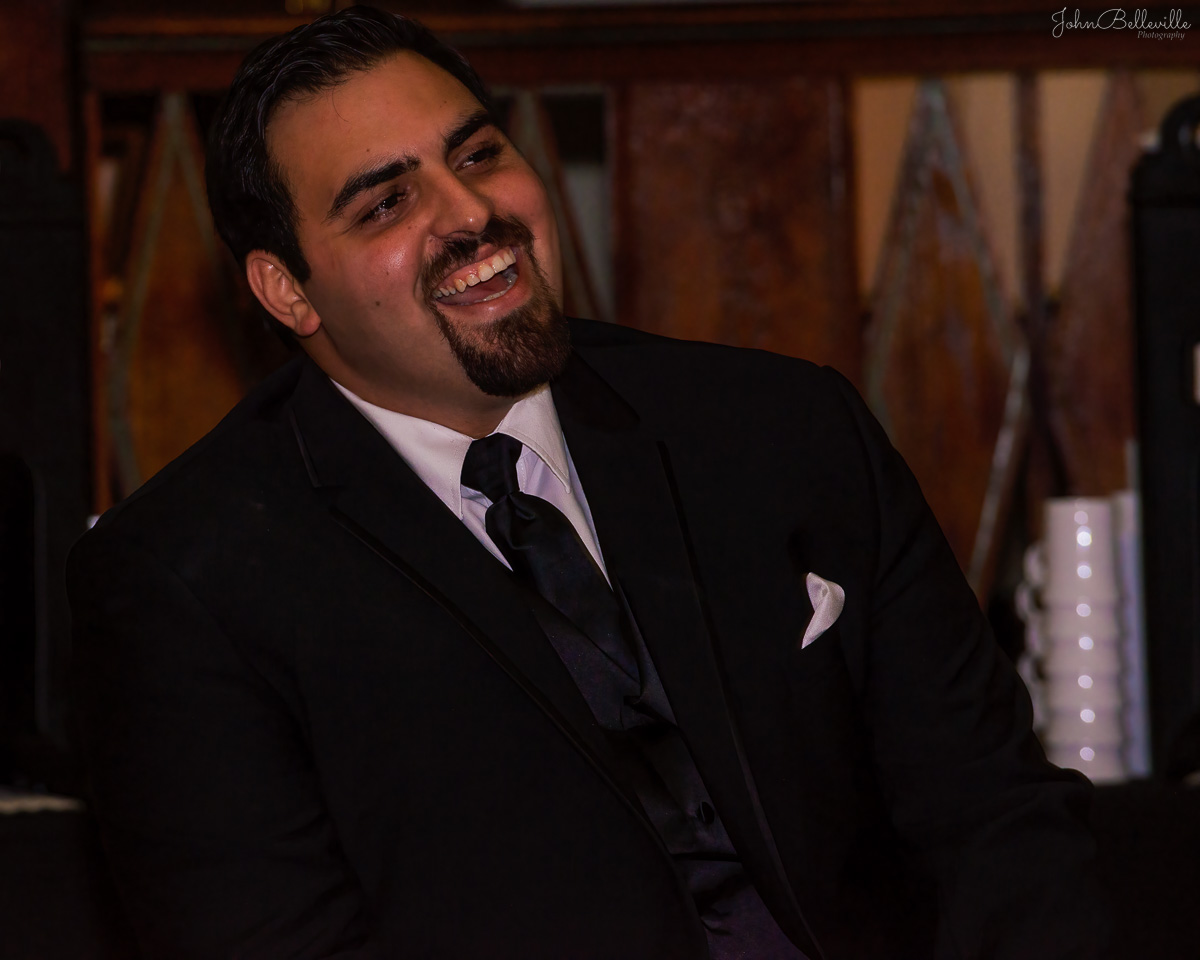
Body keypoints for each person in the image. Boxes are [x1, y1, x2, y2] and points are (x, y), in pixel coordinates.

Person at [69, 6, 1102, 959]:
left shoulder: (782, 429)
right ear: (286, 289)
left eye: (478, 154)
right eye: (386, 203)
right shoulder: (189, 582)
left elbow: (994, 816)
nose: (472, 212)